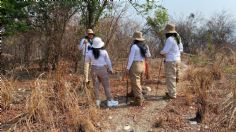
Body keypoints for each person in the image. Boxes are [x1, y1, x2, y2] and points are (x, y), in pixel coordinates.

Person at [85, 37, 118, 107]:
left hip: (93, 69)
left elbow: (86, 61)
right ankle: (110, 101)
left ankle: (97, 102)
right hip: (103, 69)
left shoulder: (89, 52)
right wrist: (110, 68)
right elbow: (108, 61)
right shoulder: (104, 52)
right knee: (106, 86)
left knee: (96, 87)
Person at [126, 31, 151, 106]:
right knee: (138, 81)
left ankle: (138, 100)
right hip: (142, 64)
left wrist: (127, 68)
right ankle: (134, 93)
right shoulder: (145, 45)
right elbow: (148, 55)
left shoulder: (134, 46)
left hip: (135, 65)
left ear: (135, 38)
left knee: (135, 82)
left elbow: (131, 58)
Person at [160, 23, 183, 99]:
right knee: (175, 76)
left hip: (171, 60)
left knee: (170, 77)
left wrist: (161, 52)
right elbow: (181, 49)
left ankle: (172, 94)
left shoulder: (169, 39)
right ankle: (172, 91)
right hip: (178, 59)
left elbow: (165, 50)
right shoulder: (178, 37)